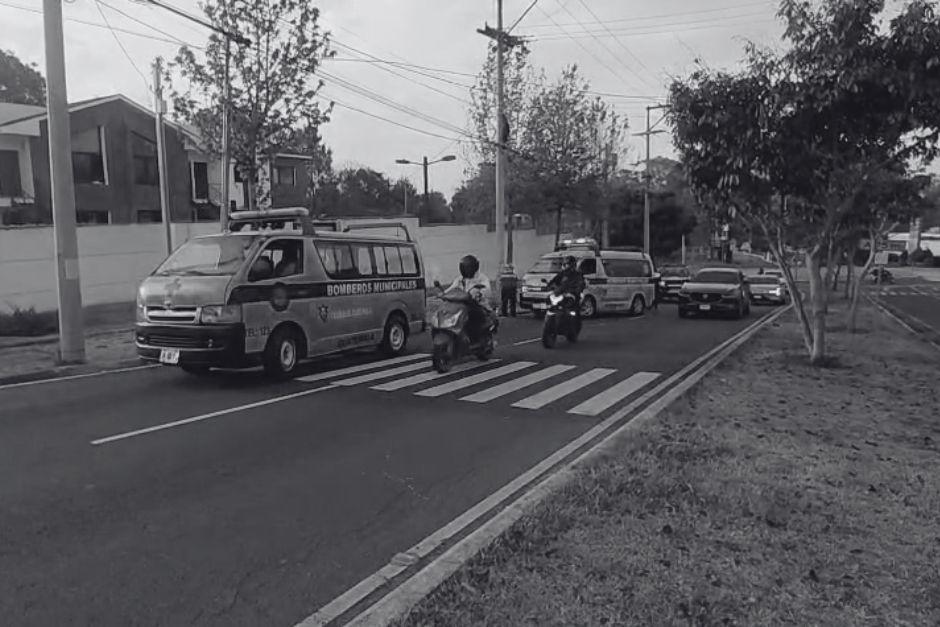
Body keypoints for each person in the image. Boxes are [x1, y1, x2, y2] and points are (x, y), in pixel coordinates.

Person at [446, 254, 495, 340]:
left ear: (474, 268)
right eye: (465, 267)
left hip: (478, 305)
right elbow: (452, 288)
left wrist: (480, 293)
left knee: (472, 317)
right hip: (461, 304)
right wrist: (443, 294)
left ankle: (475, 337)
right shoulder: (460, 279)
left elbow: (487, 290)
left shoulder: (481, 278)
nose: (467, 270)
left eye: (469, 267)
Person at [547, 255, 586, 321]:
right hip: (561, 294)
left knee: (574, 306)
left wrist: (577, 290)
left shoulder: (577, 275)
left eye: (567, 264)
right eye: (565, 264)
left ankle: (574, 320)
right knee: (551, 304)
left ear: (573, 265)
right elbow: (554, 280)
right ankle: (549, 321)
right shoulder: (562, 273)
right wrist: (549, 285)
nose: (566, 266)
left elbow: (581, 284)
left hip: (572, 295)